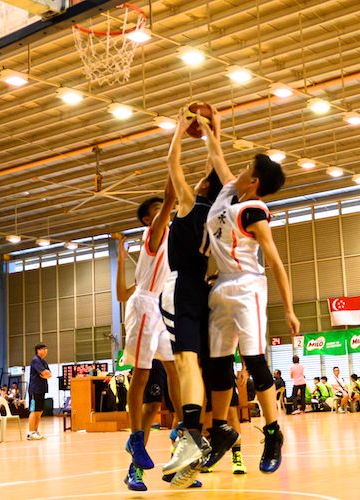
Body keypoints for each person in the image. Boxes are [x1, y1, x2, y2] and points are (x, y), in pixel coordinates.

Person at [200, 109, 300, 474]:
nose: (237, 169)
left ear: (254, 180)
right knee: (217, 365)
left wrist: (288, 309)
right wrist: (214, 127)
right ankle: (220, 429)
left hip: (247, 287)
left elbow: (274, 261)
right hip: (221, 287)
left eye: (245, 167)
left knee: (255, 362)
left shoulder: (253, 210)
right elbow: (216, 156)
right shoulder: (228, 195)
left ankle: (273, 431)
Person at [158, 110, 224, 488]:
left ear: (201, 190)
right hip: (205, 287)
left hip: (182, 286)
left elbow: (172, 164)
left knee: (183, 364)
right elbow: (215, 167)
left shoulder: (190, 203)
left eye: (201, 180)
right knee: (197, 367)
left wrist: (180, 131)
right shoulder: (217, 215)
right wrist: (215, 132)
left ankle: (191, 437)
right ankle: (204, 432)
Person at [115, 179, 185, 491]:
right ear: (149, 219)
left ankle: (183, 436)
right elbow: (171, 198)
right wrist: (177, 146)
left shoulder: (174, 240)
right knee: (142, 378)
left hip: (163, 308)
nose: (166, 213)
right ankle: (135, 441)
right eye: (159, 211)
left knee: (176, 370)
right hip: (144, 307)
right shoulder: (153, 234)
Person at [28, 343, 51, 439]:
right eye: (43, 349)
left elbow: (49, 374)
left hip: (42, 389)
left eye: (46, 349)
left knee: (39, 411)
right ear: (38, 350)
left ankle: (36, 431)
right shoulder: (35, 360)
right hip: (35, 389)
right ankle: (31, 433)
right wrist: (44, 374)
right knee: (34, 410)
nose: (46, 351)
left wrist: (45, 374)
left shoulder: (43, 361)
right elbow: (44, 373)